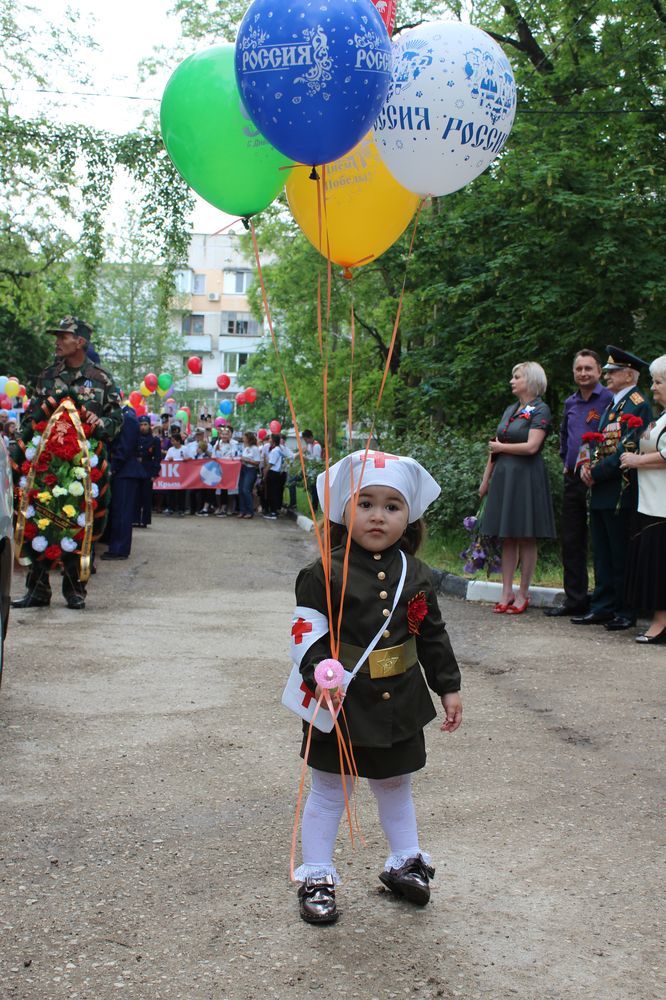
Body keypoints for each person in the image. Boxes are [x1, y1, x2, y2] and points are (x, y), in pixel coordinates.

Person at [291, 451, 462, 924]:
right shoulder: (322, 572)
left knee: (394, 783)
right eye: (366, 503)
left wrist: (448, 686)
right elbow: (307, 636)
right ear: (345, 509)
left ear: (409, 517)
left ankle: (405, 862)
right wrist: (318, 673)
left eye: (392, 506)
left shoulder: (418, 573)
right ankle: (318, 875)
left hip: (400, 702)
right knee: (330, 789)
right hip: (341, 701)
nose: (377, 515)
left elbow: (432, 634)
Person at [11, 316, 122, 609]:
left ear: (80, 342)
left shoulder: (101, 379)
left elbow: (117, 421)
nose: (58, 342)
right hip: (45, 465)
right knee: (38, 519)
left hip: (82, 467)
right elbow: (31, 416)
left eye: (64, 336)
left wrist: (102, 422)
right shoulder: (47, 377)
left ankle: (75, 590)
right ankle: (37, 589)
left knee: (78, 524)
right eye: (57, 336)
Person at [572, 346, 652, 631]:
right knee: (603, 552)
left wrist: (596, 472)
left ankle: (624, 609)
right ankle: (603, 606)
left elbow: (627, 446)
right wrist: (586, 466)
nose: (607, 377)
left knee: (620, 553)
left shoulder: (638, 403)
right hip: (601, 489)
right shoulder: (613, 404)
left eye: (612, 372)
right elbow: (599, 443)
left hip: (620, 489)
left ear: (629, 374)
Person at [478, 362, 556, 615]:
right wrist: (486, 478)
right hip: (503, 477)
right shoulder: (511, 409)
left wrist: (501, 449)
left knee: (525, 535)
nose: (512, 381)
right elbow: (495, 445)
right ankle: (506, 591)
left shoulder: (540, 409)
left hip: (526, 477)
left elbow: (532, 446)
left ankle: (523, 592)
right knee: (507, 535)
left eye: (517, 376)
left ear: (531, 380)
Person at [545, 350, 613, 617]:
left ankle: (605, 601)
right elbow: (564, 434)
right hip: (574, 478)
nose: (583, 373)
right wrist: (565, 458)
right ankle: (575, 600)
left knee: (602, 541)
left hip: (601, 478)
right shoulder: (570, 403)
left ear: (599, 372)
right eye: (579, 369)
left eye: (589, 368)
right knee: (572, 540)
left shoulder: (609, 399)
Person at [620, 354, 666, 644]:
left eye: (659, 381)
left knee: (660, 564)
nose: (654, 387)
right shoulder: (660, 417)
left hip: (663, 504)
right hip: (651, 501)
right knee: (654, 562)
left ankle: (661, 623)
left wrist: (637, 461)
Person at [101, 405, 144, 560]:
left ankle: (119, 549)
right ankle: (114, 543)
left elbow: (125, 447)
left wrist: (114, 467)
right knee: (116, 510)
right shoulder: (118, 416)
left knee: (122, 512)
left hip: (125, 471)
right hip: (122, 471)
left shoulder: (128, 418)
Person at [134, 415, 162, 528]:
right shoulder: (135, 438)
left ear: (149, 426)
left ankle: (145, 520)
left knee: (146, 496)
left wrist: (155, 473)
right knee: (136, 495)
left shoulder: (154, 440)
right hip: (136, 469)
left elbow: (157, 457)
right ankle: (135, 519)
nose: (143, 427)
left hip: (147, 469)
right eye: (141, 425)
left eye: (145, 425)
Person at [212, 426, 239, 516]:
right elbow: (213, 455)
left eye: (226, 434)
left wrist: (228, 460)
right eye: (222, 434)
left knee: (229, 489)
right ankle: (219, 507)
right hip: (218, 469)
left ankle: (228, 508)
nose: (224, 436)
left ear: (229, 436)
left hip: (229, 470)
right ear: (220, 435)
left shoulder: (233, 445)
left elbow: (234, 455)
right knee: (218, 489)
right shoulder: (217, 444)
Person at [163, 431, 189, 516]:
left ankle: (181, 509)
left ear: (178, 441)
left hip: (182, 474)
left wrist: (186, 459)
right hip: (172, 474)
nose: (172, 442)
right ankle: (171, 508)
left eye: (174, 441)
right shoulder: (170, 449)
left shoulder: (185, 448)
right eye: (171, 441)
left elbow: (191, 458)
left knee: (181, 492)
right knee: (171, 492)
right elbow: (165, 460)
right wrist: (169, 459)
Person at [238, 431, 260, 518]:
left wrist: (246, 460)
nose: (243, 438)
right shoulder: (245, 448)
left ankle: (250, 511)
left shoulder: (254, 448)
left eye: (244, 437)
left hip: (250, 470)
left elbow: (257, 462)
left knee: (246, 490)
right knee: (240, 490)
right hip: (243, 469)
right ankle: (242, 510)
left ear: (248, 438)